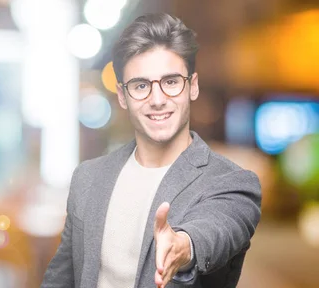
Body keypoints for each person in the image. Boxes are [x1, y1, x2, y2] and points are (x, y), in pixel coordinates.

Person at [41, 13, 261, 288]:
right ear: (122, 95)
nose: (157, 100)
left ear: (192, 86)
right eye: (141, 85)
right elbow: (60, 279)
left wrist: (184, 246)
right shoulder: (88, 178)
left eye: (170, 82)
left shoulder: (231, 183)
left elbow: (216, 230)